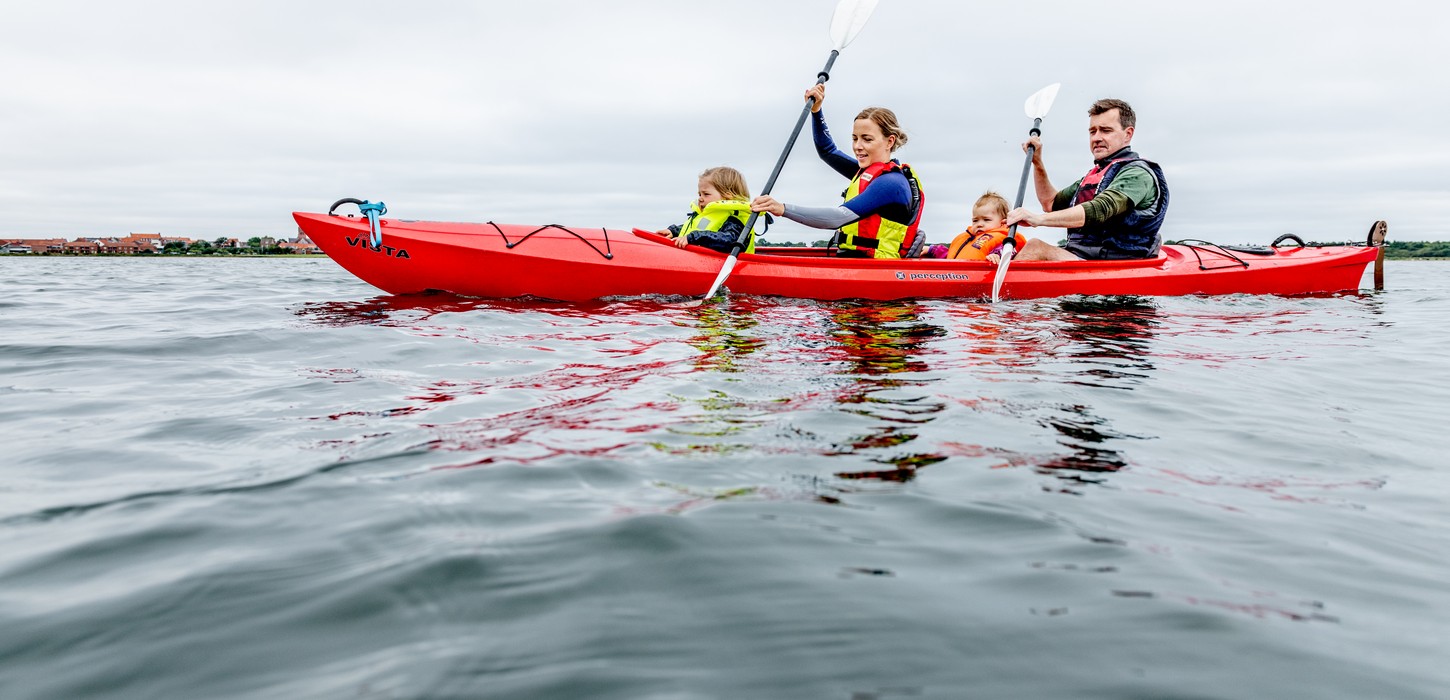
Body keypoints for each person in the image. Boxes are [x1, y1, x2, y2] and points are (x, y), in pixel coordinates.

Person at [750, 84, 925, 259]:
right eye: (855, 138)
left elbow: (837, 218)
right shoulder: (868, 173)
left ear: (889, 142)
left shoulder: (891, 184)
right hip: (854, 263)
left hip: (874, 269)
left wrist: (782, 209)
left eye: (867, 139)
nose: (858, 146)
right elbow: (827, 151)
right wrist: (817, 111)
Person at [1005, 98, 1169, 261]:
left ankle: (1003, 287)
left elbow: (1100, 209)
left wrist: (1038, 219)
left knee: (1036, 248)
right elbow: (1050, 203)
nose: (1096, 138)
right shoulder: (1096, 175)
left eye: (1106, 131)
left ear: (1128, 134)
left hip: (1118, 262)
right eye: (1093, 131)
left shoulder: (1138, 174)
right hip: (1084, 256)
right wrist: (1037, 163)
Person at [658, 166, 755, 254]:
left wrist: (695, 237)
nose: (700, 198)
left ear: (727, 197)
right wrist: (674, 231)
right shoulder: (705, 214)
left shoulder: (735, 218)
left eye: (706, 194)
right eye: (699, 194)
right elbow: (694, 227)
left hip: (729, 267)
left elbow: (729, 241)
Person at [946, 191, 1024, 263]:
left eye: (986, 219)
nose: (979, 224)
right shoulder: (965, 238)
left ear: (1003, 221)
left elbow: (1008, 251)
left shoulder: (1007, 239)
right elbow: (948, 255)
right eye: (975, 220)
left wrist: (997, 255)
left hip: (984, 274)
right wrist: (935, 250)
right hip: (956, 275)